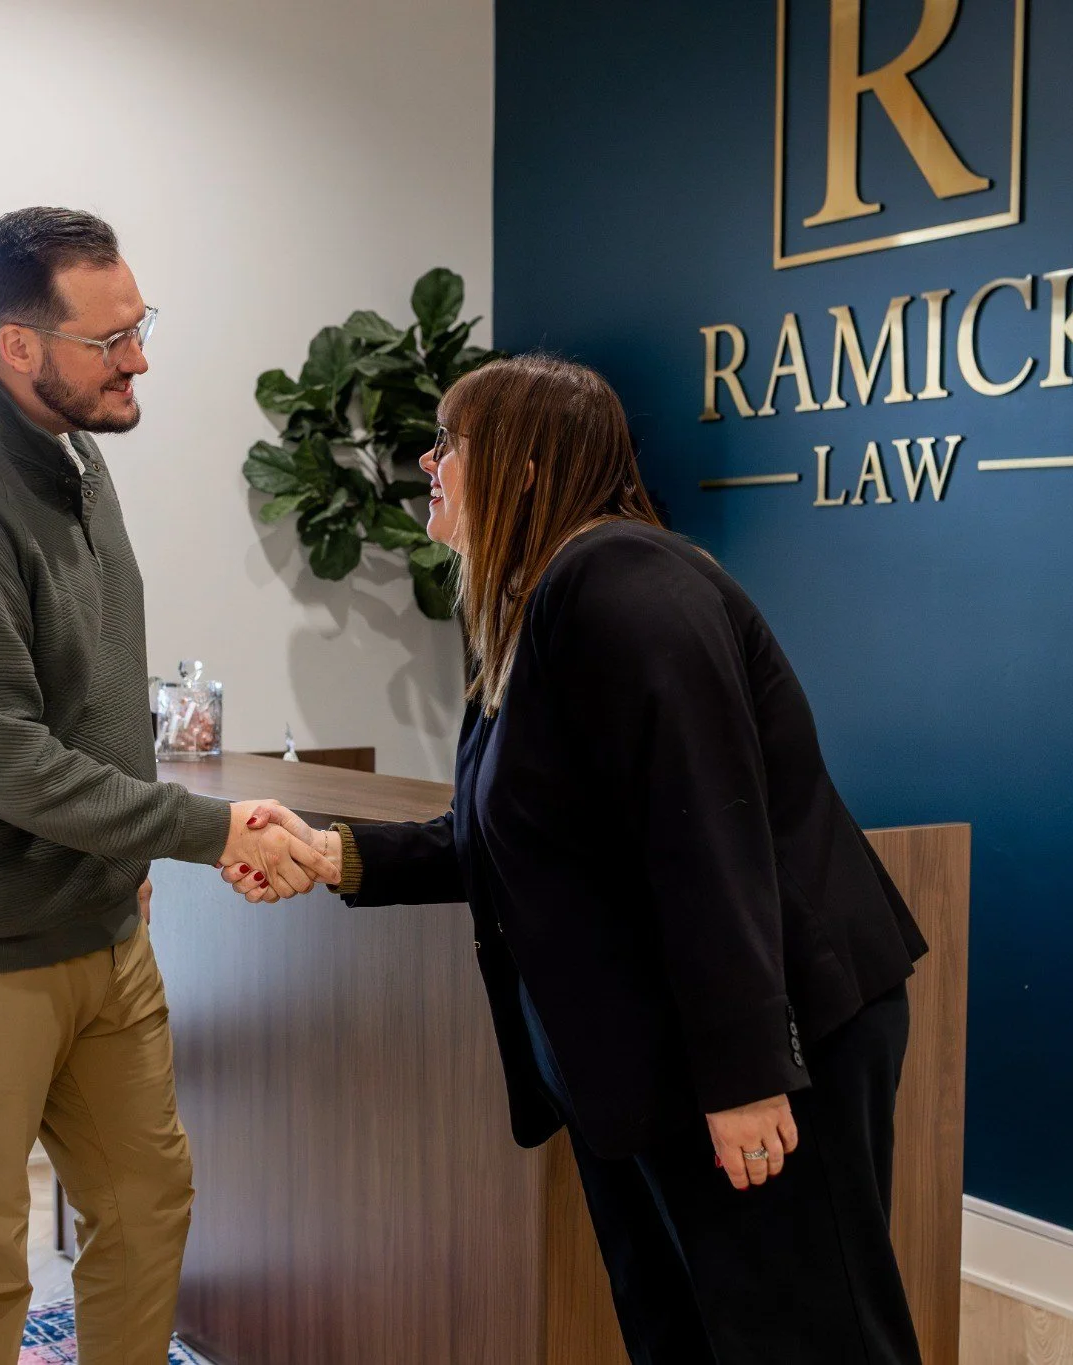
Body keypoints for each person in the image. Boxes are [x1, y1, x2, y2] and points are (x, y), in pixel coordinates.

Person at [230, 355, 929, 1363]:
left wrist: (741, 1077)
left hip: (759, 1046)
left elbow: (705, 840)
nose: (428, 463)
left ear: (518, 467)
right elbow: (516, 837)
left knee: (809, 1338)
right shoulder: (535, 601)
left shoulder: (628, 586)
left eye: (448, 443)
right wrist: (334, 854)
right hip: (649, 1057)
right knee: (680, 1332)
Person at [0, 207, 334, 1364]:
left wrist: (125, 857)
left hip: (96, 922)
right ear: (17, 346)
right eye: (110, 339)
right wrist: (205, 831)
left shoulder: (73, 450)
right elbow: (1, 757)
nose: (138, 358)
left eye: (139, 325)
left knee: (148, 1204)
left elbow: (95, 688)